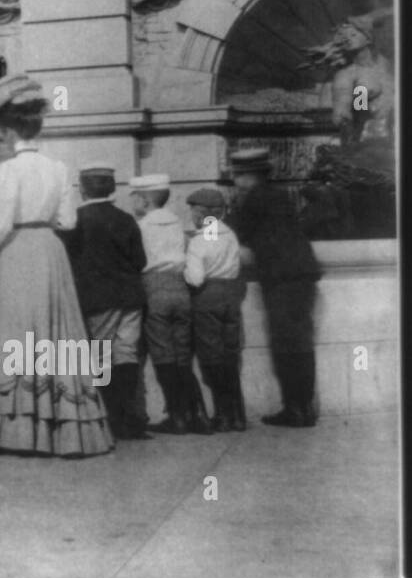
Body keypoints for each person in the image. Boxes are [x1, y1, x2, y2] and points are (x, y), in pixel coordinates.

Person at [0, 75, 113, 458]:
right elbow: (68, 221)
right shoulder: (58, 167)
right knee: (58, 332)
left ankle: (23, 430)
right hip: (51, 250)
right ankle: (68, 427)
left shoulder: (6, 171)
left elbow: (1, 223)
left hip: (18, 250)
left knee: (20, 332)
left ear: (7, 130)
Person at [228, 147, 321, 427]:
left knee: (285, 343)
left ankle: (294, 409)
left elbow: (233, 231)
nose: (234, 180)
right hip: (301, 274)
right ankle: (303, 406)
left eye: (236, 175)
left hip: (281, 278)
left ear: (246, 176)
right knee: (299, 342)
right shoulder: (279, 196)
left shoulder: (253, 199)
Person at [64, 164, 149, 441]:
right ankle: (131, 419)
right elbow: (141, 261)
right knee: (126, 354)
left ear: (83, 189)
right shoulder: (126, 219)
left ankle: (112, 418)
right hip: (131, 296)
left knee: (102, 358)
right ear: (112, 188)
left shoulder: (77, 220)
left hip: (98, 299)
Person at [129, 173, 210, 436]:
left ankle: (177, 417)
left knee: (163, 355)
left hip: (154, 288)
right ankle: (199, 413)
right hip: (180, 289)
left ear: (143, 200)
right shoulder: (177, 223)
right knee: (183, 354)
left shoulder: (141, 227)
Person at [184, 188, 246, 433]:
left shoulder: (200, 240)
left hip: (207, 299)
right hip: (231, 297)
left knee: (212, 358)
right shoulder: (230, 235)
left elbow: (196, 278)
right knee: (230, 356)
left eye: (192, 211)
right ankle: (238, 415)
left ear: (200, 214)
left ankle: (222, 415)